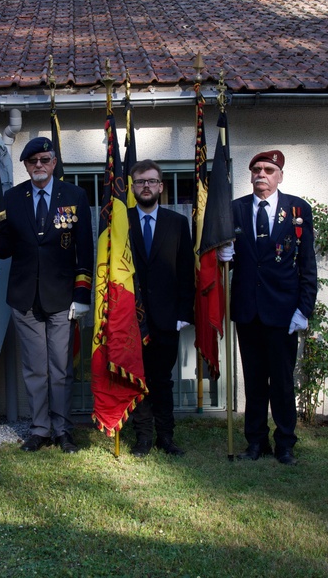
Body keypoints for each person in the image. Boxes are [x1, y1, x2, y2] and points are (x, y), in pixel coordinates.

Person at [0, 137, 93, 454]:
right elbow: (5, 249)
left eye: (45, 160)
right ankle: (40, 430)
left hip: (62, 298)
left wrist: (82, 296)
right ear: (25, 165)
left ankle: (63, 429)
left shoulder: (75, 196)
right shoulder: (12, 199)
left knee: (61, 368)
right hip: (25, 298)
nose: (39, 165)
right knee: (36, 369)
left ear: (54, 163)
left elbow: (84, 251)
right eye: (33, 161)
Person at [224, 150, 317, 466]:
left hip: (283, 311)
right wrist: (223, 255)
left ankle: (286, 443)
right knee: (253, 380)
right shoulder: (235, 209)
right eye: (256, 169)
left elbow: (307, 264)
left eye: (268, 169)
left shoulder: (296, 209)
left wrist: (304, 309)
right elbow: (232, 256)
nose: (261, 174)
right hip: (248, 309)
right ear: (250, 175)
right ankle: (255, 441)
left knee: (281, 380)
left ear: (279, 175)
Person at [126, 159, 195, 457]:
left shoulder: (177, 223)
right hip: (131, 316)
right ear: (133, 186)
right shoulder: (120, 221)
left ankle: (165, 437)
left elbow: (185, 270)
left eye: (151, 181)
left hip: (167, 317)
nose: (146, 186)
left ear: (161, 186)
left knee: (163, 380)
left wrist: (183, 313)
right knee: (138, 378)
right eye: (140, 181)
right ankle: (143, 436)